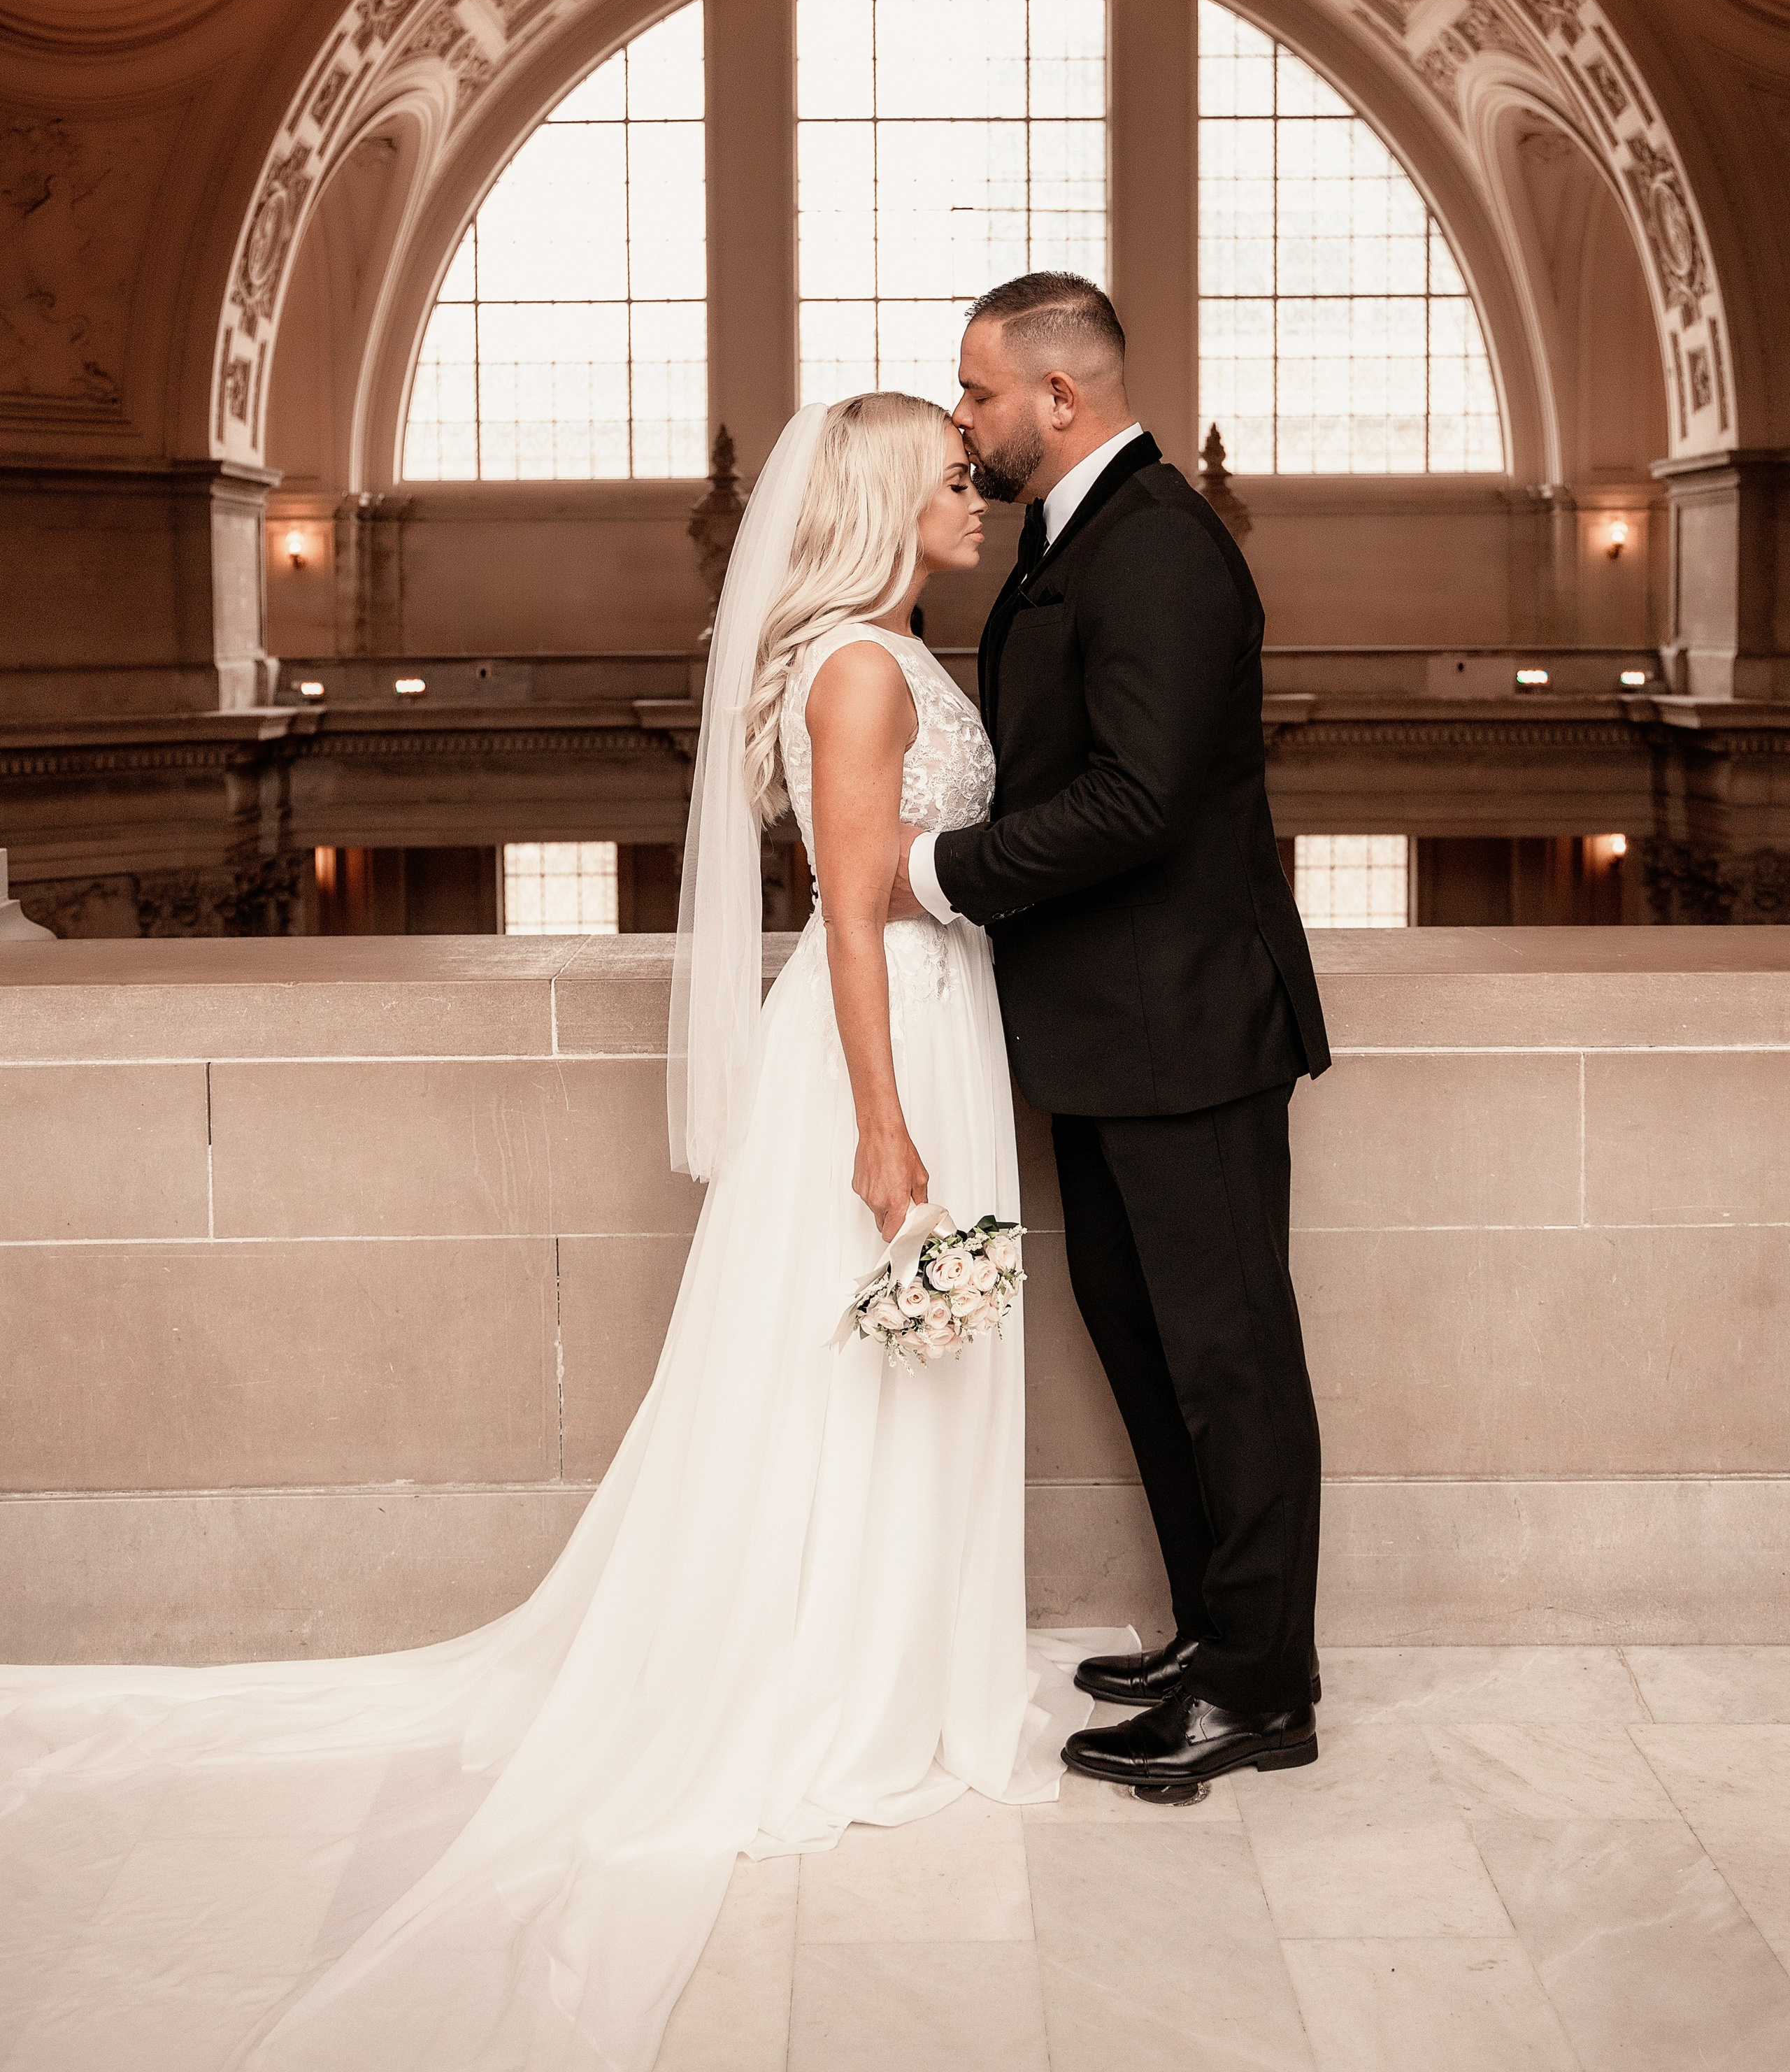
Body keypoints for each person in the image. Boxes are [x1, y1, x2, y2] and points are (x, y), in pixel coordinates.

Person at [0, 392, 1094, 2072]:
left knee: (882, 1363)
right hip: (887, 1044)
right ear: (882, 501)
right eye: (953, 480)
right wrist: (887, 1128)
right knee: (858, 1357)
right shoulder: (862, 670)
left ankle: (889, 1656)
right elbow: (860, 925)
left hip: (930, 1022)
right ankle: (855, 1687)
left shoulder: (874, 653)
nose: (979, 498)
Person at [891, 271, 1331, 1801]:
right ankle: (1215, 1632)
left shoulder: (1156, 546)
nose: (962, 418)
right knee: (1145, 1344)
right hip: (1102, 1028)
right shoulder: (1066, 541)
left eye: (976, 390)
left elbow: (1138, 802)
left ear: (1057, 398)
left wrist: (937, 873)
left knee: (1228, 1366)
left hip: (1187, 1027)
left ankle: (1264, 1691)